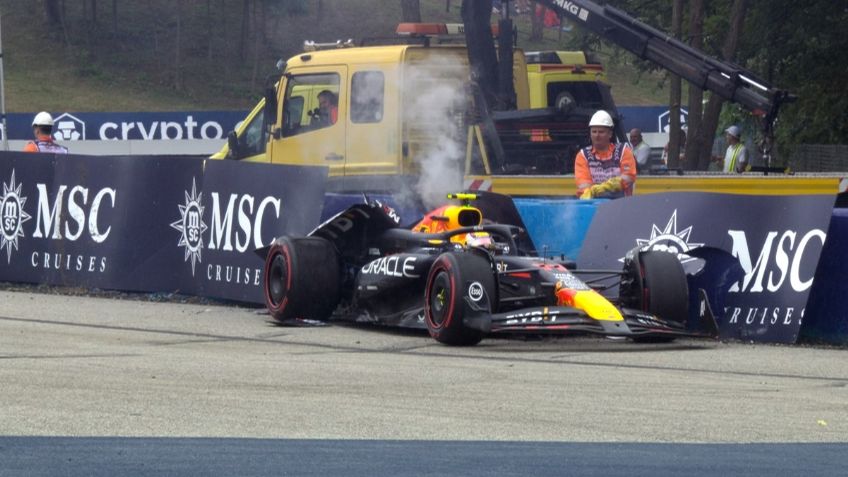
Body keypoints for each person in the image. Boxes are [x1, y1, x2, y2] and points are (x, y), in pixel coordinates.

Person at [574, 110, 636, 199]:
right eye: (594, 131)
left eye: (601, 132)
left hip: (621, 206)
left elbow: (629, 177)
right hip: (594, 206)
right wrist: (589, 191)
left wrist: (607, 186)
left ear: (610, 134)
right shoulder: (583, 155)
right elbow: (583, 186)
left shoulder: (623, 151)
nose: (597, 135)